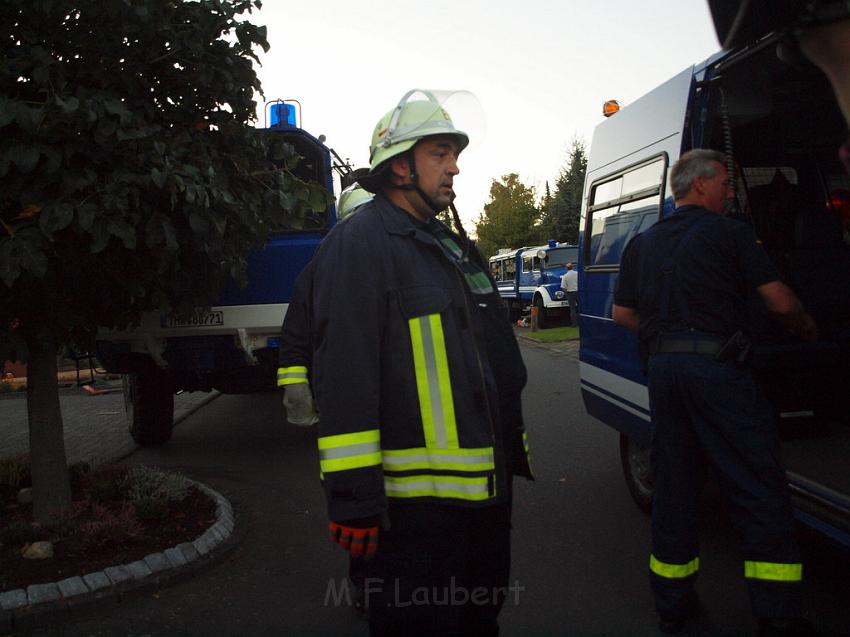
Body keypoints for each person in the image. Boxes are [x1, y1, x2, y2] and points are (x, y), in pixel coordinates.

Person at [309, 89, 532, 636]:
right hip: (414, 516)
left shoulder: (447, 243)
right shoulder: (360, 244)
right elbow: (344, 377)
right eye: (440, 152)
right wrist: (355, 501)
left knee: (479, 621)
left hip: (480, 496)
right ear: (399, 166)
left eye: (455, 153)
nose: (455, 166)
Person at [612, 149, 818, 636]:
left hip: (664, 373)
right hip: (719, 373)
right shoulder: (731, 234)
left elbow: (623, 316)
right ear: (701, 186)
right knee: (756, 488)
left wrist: (669, 339)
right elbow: (779, 301)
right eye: (725, 182)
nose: (730, 190)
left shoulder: (642, 244)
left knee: (675, 489)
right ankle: (778, 615)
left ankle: (673, 607)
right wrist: (806, 326)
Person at [276, 184, 374, 426]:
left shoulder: (318, 266)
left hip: (343, 389)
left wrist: (296, 385)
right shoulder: (322, 267)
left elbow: (294, 332)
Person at [560, 262, 578, 327]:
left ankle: (574, 324)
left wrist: (566, 293)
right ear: (572, 267)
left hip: (570, 293)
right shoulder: (577, 274)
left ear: (566, 268)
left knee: (572, 309)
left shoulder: (565, 276)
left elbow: (563, 287)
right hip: (578, 292)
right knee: (581, 308)